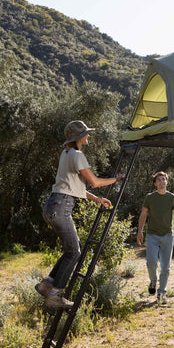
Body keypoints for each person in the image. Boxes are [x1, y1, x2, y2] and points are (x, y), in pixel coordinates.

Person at [35, 120, 124, 309]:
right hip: (61, 207)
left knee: (70, 251)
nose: (88, 135)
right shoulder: (77, 155)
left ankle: (46, 284)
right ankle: (55, 295)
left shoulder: (65, 154)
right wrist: (117, 179)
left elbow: (74, 188)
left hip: (53, 205)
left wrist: (98, 200)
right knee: (75, 252)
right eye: (86, 133)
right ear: (79, 137)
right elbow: (95, 182)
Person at [137, 171, 174, 304]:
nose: (162, 182)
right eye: (159, 180)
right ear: (155, 183)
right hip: (152, 235)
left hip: (168, 236)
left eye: (164, 179)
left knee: (166, 267)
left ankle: (161, 293)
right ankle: (153, 281)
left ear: (166, 182)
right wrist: (139, 232)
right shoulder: (150, 198)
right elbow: (143, 215)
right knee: (151, 263)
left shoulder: (172, 197)